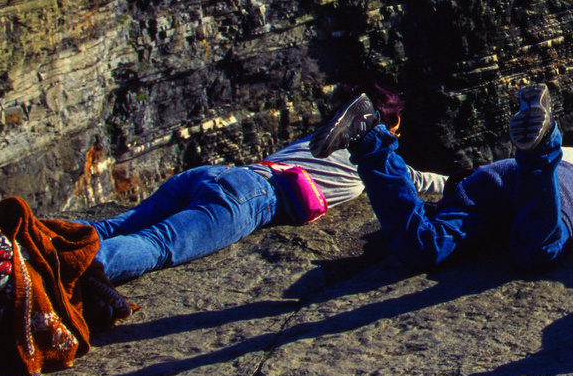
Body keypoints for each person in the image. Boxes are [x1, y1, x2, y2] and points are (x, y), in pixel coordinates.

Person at [85, 83, 447, 283]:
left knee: (115, 225)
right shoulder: (370, 160)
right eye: (395, 132)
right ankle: (56, 271)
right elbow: (423, 182)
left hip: (218, 173)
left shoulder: (319, 139)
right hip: (254, 196)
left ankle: (36, 241)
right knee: (158, 245)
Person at [309, 83, 573, 272]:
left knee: (423, 245)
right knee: (536, 251)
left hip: (494, 177)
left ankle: (369, 139)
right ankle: (541, 150)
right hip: (562, 179)